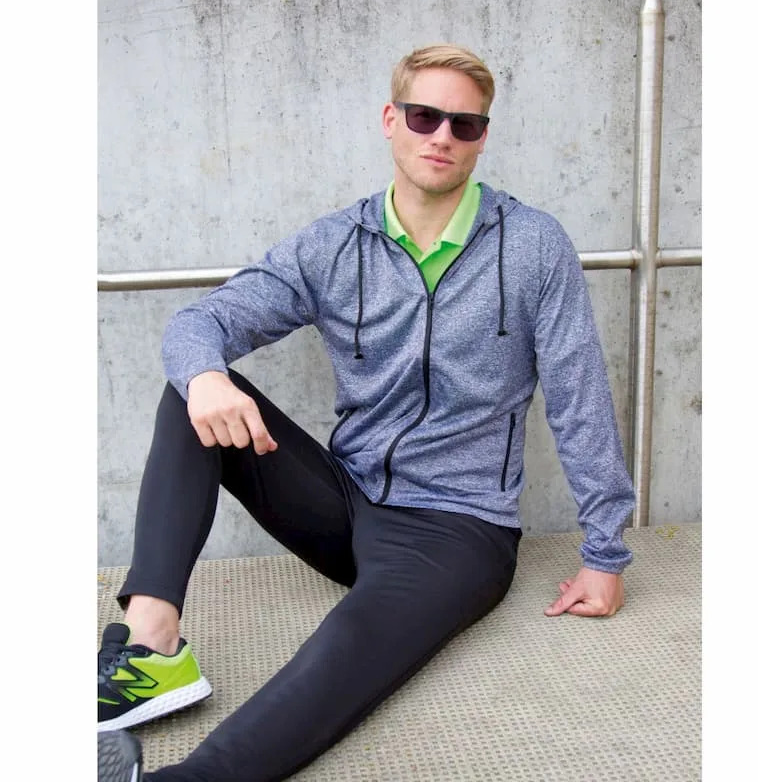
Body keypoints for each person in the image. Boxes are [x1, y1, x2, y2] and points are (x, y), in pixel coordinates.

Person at [97, 43, 634, 782]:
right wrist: (206, 376)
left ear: (482, 137)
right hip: (344, 500)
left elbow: (581, 398)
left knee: (344, 651)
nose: (442, 136)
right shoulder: (335, 244)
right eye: (424, 116)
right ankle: (153, 647)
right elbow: (202, 322)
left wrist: (605, 554)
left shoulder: (533, 246)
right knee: (192, 392)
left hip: (455, 527)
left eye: (465, 124)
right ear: (391, 119)